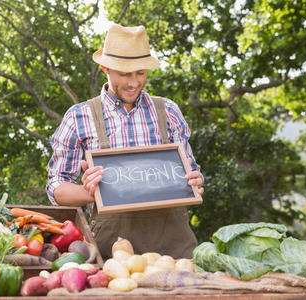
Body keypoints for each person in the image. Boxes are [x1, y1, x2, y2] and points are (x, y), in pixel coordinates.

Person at [46, 24, 204, 260]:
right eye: (125, 74)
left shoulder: (168, 111)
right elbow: (56, 187)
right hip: (112, 248)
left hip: (175, 246)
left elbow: (191, 174)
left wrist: (195, 180)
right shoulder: (78, 117)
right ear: (105, 68)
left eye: (140, 73)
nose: (133, 83)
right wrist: (89, 192)